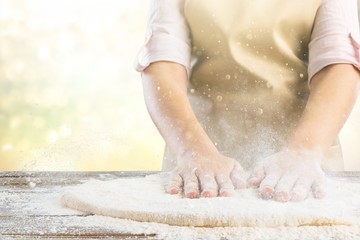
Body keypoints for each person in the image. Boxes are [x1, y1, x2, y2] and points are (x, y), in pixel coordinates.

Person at [135, 0, 360, 202]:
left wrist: (303, 152)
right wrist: (194, 151)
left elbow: (339, 66)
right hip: (198, 167)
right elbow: (163, 61)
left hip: (304, 167)